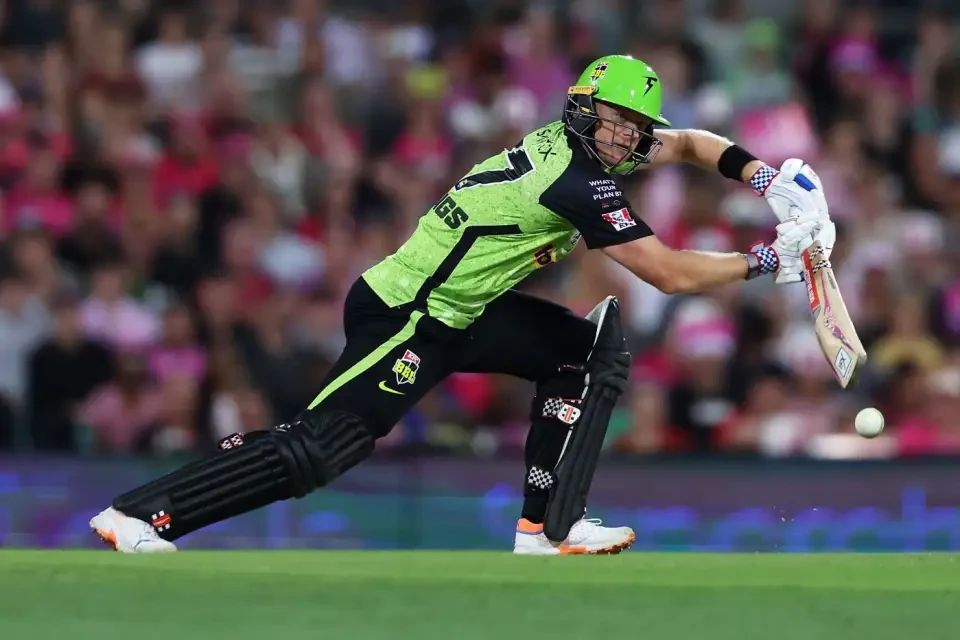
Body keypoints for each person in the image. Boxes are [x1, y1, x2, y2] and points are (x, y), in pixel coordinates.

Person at [90, 55, 833, 555]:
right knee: (322, 449)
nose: (626, 138)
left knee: (587, 351)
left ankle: (549, 528)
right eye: (611, 121)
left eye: (632, 128)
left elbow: (697, 144)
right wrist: (773, 259)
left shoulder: (598, 150)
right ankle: (139, 514)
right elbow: (667, 275)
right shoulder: (574, 180)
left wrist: (768, 181)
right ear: (581, 111)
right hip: (408, 312)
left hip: (467, 311)